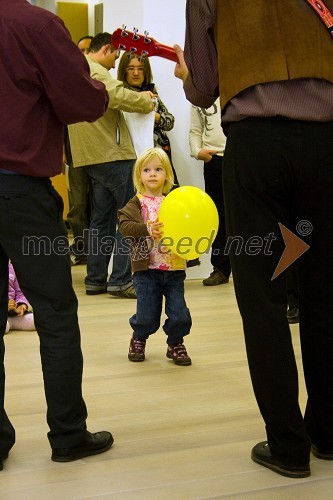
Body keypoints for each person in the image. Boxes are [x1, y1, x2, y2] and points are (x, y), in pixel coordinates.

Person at [174, 0, 333, 479]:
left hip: (255, 142)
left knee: (262, 295)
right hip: (326, 142)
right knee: (326, 291)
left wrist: (187, 76)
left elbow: (203, 88)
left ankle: (287, 445)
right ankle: (327, 432)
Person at [0, 0, 114, 471]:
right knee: (55, 313)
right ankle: (68, 434)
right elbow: (81, 102)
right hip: (20, 191)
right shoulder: (35, 23)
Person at [68, 33, 155, 298]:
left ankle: (95, 279)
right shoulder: (94, 70)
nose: (114, 63)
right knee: (128, 217)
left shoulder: (74, 68)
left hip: (91, 155)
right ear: (106, 48)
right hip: (112, 152)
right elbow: (114, 94)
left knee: (101, 219)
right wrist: (146, 100)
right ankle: (120, 280)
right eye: (115, 56)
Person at [118, 148, 197, 366]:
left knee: (180, 314)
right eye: (147, 170)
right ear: (139, 176)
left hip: (174, 268)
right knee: (146, 316)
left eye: (158, 169)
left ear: (167, 175)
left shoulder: (175, 201)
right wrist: (146, 229)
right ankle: (138, 338)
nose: (152, 174)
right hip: (146, 271)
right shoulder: (137, 202)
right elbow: (125, 226)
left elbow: (192, 223)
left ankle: (175, 343)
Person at [117, 52, 179, 186]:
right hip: (131, 158)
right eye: (130, 68)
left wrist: (153, 116)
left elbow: (169, 122)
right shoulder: (118, 95)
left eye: (140, 69)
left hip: (158, 154)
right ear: (124, 70)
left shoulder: (152, 92)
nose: (135, 73)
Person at [189, 99, 231, 285]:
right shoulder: (201, 95)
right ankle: (221, 269)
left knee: (246, 213)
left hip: (239, 155)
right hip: (214, 160)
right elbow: (195, 129)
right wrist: (197, 151)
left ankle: (252, 269)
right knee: (217, 215)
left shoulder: (237, 86)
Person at [65, 35, 94, 266]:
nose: (83, 54)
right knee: (76, 206)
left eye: (87, 49)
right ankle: (82, 249)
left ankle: (98, 252)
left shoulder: (100, 80)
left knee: (98, 204)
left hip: (98, 154)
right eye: (80, 50)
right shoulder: (66, 80)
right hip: (74, 153)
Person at [6, 262, 35, 334]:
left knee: (38, 321)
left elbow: (20, 292)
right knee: (4, 327)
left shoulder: (12, 268)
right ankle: (7, 323)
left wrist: (22, 305)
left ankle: (10, 322)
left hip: (13, 312)